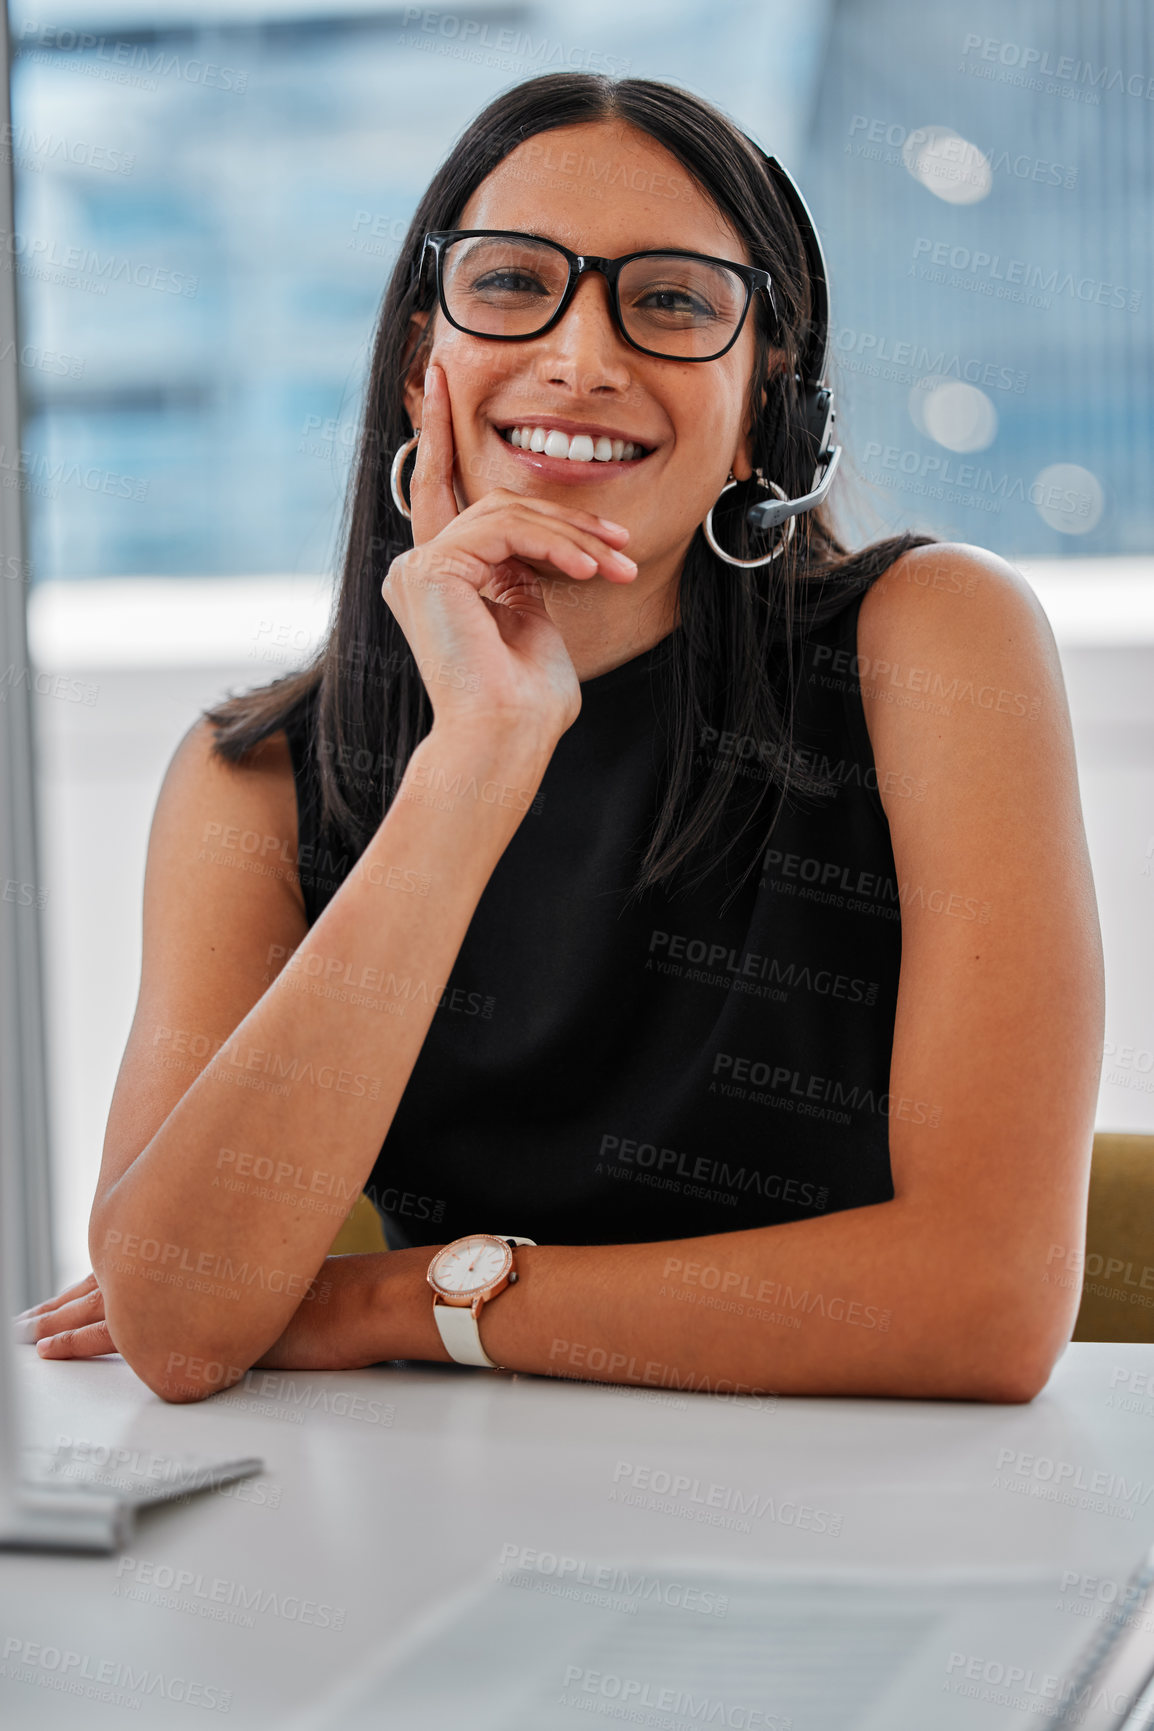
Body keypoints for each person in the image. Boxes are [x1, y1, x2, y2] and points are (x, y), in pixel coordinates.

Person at [18, 73, 1103, 1405]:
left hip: (865, 1528)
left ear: (772, 394)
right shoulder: (255, 776)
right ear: (426, 357)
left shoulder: (932, 643)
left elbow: (982, 1307)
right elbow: (179, 1322)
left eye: (669, 302)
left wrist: (404, 1297)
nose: (581, 359)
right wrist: (475, 759)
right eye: (512, 284)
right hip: (445, 1536)